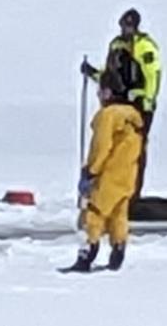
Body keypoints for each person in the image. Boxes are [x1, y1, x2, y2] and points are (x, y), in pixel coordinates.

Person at [64, 70, 145, 272]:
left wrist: (90, 171)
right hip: (127, 176)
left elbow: (101, 146)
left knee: (93, 215)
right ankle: (118, 251)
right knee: (118, 215)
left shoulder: (108, 116)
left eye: (100, 91)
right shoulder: (132, 117)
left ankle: (86, 255)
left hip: (107, 176)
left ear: (107, 92)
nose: (98, 95)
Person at [81, 8, 162, 195]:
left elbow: (152, 75)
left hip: (138, 105)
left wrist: (146, 98)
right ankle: (110, 191)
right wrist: (93, 73)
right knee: (111, 148)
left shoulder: (145, 47)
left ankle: (132, 193)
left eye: (130, 26)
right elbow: (110, 75)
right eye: (124, 26)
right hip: (117, 104)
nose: (126, 29)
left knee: (133, 149)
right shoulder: (116, 45)